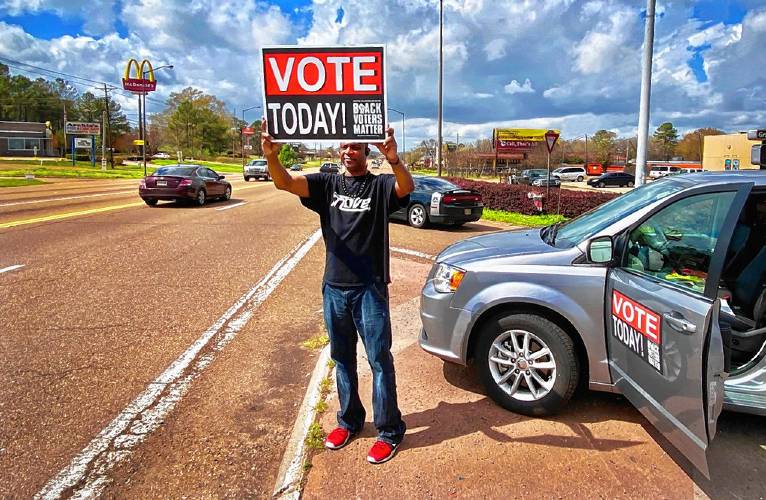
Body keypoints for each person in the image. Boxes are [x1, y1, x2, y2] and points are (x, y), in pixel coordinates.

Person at [261, 120, 414, 464]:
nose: (349, 152)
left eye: (356, 147)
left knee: (378, 360)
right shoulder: (326, 185)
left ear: (365, 152)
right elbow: (284, 182)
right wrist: (272, 157)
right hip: (334, 289)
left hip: (370, 290)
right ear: (338, 150)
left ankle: (389, 431)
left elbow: (406, 188)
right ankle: (350, 421)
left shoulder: (380, 186)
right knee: (342, 360)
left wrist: (394, 159)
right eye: (344, 146)